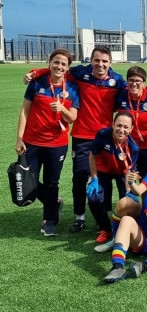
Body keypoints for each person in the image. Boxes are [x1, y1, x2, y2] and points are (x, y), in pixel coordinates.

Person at [25, 46, 125, 233]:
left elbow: (135, 89)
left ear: (110, 63)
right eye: (96, 60)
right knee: (79, 177)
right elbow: (59, 68)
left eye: (104, 61)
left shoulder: (117, 80)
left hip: (106, 136)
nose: (100, 64)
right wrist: (36, 72)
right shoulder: (80, 72)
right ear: (91, 60)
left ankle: (102, 215)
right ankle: (79, 217)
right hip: (82, 135)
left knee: (104, 177)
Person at [15, 48, 79, 236]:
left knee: (52, 182)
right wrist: (19, 138)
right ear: (49, 63)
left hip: (57, 143)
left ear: (68, 68)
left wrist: (62, 108)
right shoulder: (37, 83)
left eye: (63, 64)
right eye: (56, 62)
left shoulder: (73, 88)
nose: (59, 66)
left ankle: (48, 221)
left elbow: (72, 118)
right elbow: (24, 111)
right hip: (31, 141)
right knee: (29, 180)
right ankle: (55, 203)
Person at [86, 111, 140, 244]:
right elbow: (92, 155)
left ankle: (125, 228)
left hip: (123, 174)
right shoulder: (103, 134)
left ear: (131, 128)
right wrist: (94, 178)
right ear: (113, 124)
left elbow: (130, 170)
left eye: (126, 127)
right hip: (103, 171)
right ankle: (105, 228)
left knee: (128, 202)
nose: (121, 130)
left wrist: (128, 190)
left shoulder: (134, 147)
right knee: (94, 197)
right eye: (119, 125)